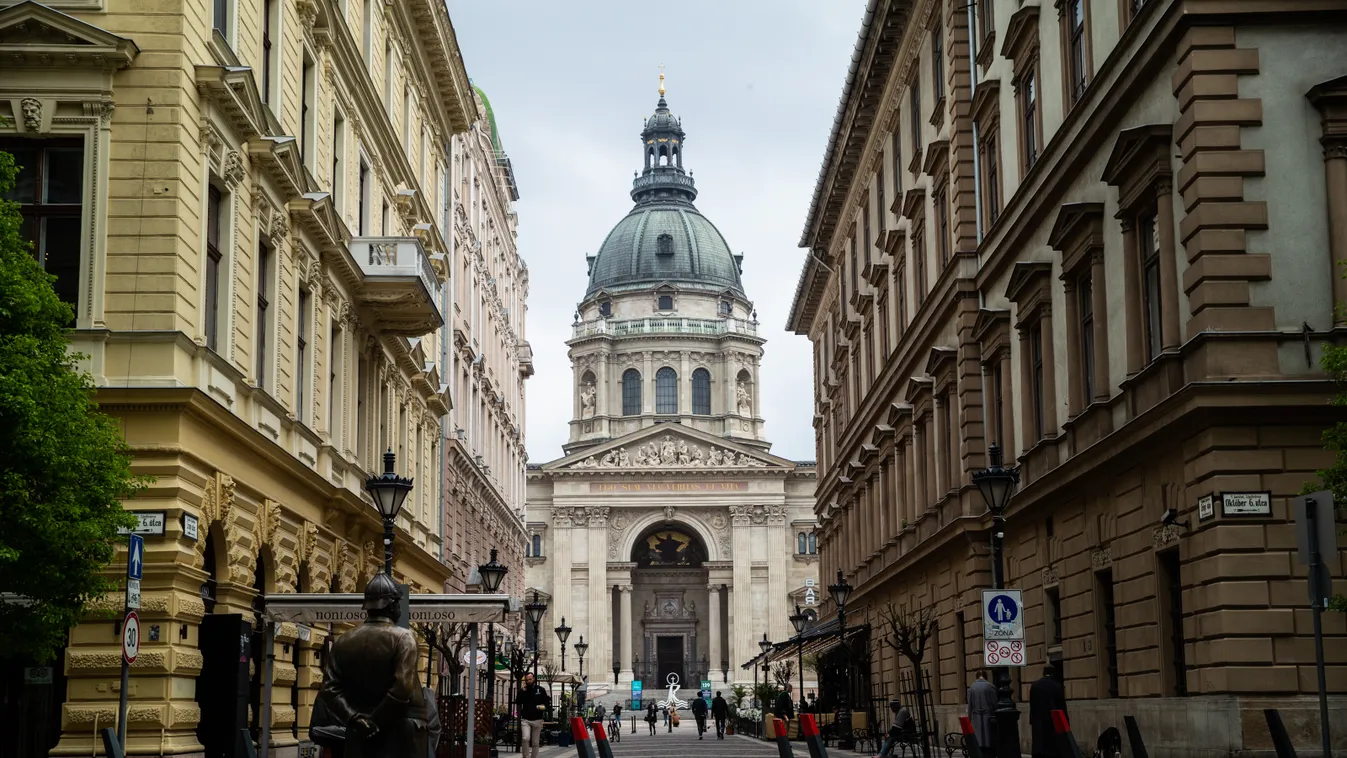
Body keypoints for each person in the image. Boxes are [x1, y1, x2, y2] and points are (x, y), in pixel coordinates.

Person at [318, 574, 427, 758]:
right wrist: (374, 722)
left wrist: (356, 720)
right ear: (392, 606)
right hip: (400, 734)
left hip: (358, 734)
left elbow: (329, 689)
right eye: (398, 604)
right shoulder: (404, 637)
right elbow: (402, 688)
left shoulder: (343, 640)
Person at [1029, 666, 1067, 758]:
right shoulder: (1057, 686)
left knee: (1039, 746)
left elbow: (1032, 705)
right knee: (1052, 749)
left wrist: (1031, 720)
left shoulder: (1035, 686)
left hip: (1038, 721)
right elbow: (1062, 706)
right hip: (1053, 722)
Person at [516, 672, 551, 758]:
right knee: (525, 738)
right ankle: (526, 756)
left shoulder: (541, 690)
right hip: (525, 719)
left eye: (530, 679)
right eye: (527, 680)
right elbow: (518, 702)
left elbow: (546, 705)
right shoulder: (523, 691)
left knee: (535, 742)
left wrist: (541, 707)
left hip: (537, 719)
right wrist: (521, 692)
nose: (528, 681)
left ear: (534, 679)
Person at [967, 670, 998, 757]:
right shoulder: (990, 687)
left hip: (976, 715)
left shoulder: (971, 688)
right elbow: (994, 703)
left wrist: (969, 718)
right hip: (988, 715)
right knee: (988, 736)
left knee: (978, 737)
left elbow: (970, 705)